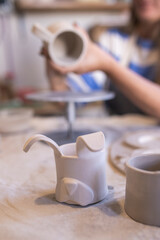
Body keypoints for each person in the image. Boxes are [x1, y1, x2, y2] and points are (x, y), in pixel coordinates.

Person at [41, 0, 160, 118]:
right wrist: (56, 70)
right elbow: (67, 101)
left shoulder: (105, 59)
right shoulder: (112, 39)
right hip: (122, 133)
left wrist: (109, 66)